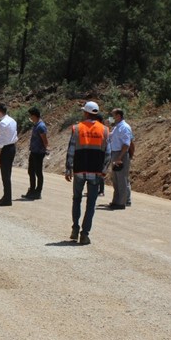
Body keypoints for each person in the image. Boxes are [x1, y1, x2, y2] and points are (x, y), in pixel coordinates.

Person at [65, 101, 111, 245]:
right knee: (91, 204)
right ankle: (84, 234)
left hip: (79, 170)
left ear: (86, 113)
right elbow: (108, 154)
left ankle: (75, 228)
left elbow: (71, 149)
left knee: (76, 199)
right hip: (95, 172)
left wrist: (68, 168)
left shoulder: (77, 128)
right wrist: (103, 171)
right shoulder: (104, 130)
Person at [107, 107, 133, 209]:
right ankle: (116, 200)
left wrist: (120, 157)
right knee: (116, 180)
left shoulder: (124, 127)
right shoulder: (117, 127)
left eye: (113, 115)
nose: (111, 117)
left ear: (118, 116)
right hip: (115, 153)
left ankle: (121, 202)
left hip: (120, 154)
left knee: (121, 179)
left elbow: (126, 144)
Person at [21, 106, 49, 200]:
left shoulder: (41, 126)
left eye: (31, 116)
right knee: (31, 171)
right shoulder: (36, 125)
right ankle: (32, 190)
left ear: (35, 116)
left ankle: (38, 192)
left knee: (38, 172)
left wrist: (46, 150)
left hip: (38, 153)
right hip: (33, 151)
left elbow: (45, 140)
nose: (30, 118)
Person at [0, 103, 18, 206]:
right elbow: (16, 136)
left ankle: (7, 199)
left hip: (5, 149)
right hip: (12, 147)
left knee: (5, 175)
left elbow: (1, 141)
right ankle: (6, 196)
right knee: (8, 174)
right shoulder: (12, 120)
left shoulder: (2, 123)